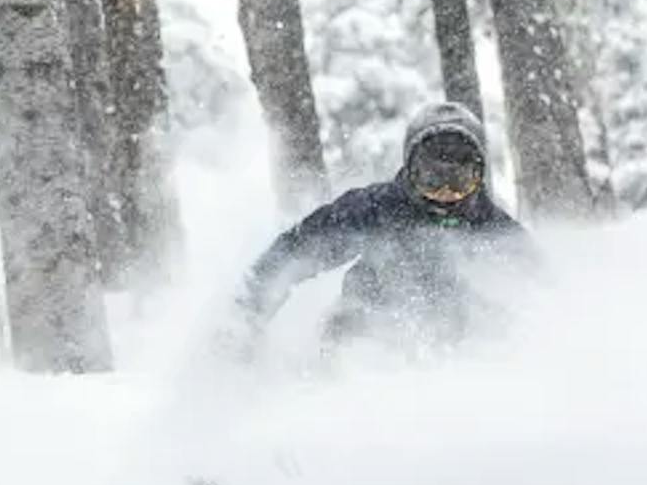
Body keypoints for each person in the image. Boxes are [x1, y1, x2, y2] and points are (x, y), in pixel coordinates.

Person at [226, 101, 531, 359]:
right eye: (432, 178)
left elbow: (545, 295)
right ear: (410, 169)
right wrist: (246, 315)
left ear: (479, 176)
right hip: (363, 344)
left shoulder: (494, 230)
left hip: (455, 355)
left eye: (460, 179)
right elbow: (295, 253)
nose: (446, 192)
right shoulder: (377, 208)